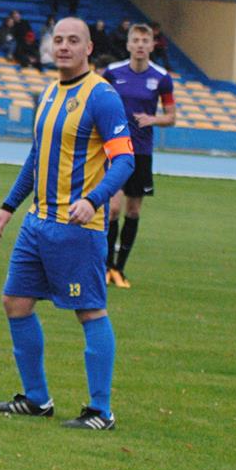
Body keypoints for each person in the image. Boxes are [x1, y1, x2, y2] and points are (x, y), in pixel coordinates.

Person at [0, 17, 134, 431]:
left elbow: (124, 160)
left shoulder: (102, 97)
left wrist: (93, 200)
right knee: (15, 303)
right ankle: (36, 399)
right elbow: (37, 158)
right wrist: (8, 206)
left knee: (90, 311)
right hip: (38, 224)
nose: (64, 46)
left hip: (78, 228)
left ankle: (100, 411)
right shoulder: (49, 92)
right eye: (59, 40)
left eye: (74, 40)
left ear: (88, 48)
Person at [102, 23, 175, 288]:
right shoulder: (112, 73)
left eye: (146, 40)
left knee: (133, 211)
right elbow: (97, 101)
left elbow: (171, 117)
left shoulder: (162, 77)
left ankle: (120, 269)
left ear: (153, 45)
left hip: (141, 153)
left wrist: (152, 119)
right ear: (129, 44)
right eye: (136, 40)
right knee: (112, 209)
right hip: (115, 149)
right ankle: (106, 266)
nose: (141, 44)